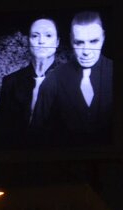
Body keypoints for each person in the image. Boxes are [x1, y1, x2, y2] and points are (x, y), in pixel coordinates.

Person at [33, 10, 114, 145]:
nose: (87, 51)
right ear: (71, 40)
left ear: (103, 38)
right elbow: (35, 136)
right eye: (79, 42)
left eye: (93, 41)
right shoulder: (53, 79)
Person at [0, 17, 61, 145]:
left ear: (57, 42)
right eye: (35, 36)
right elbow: (0, 135)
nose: (41, 41)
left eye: (48, 35)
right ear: (28, 41)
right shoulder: (10, 83)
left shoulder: (72, 81)